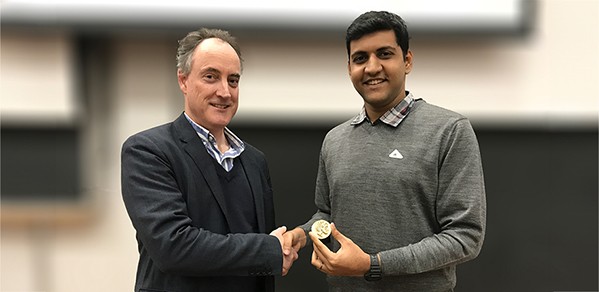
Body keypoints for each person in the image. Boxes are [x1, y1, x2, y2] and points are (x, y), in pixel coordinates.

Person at [283, 11, 486, 291]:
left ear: (407, 61)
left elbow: (465, 237)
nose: (372, 67)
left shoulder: (450, 131)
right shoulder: (335, 139)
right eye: (360, 58)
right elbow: (327, 215)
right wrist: (302, 235)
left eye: (384, 54)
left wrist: (372, 265)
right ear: (349, 68)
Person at [121, 28, 297, 292]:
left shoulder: (254, 161)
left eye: (233, 80)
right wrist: (269, 249)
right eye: (211, 77)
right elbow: (174, 246)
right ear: (183, 80)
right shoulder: (148, 151)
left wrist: (276, 250)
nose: (225, 92)